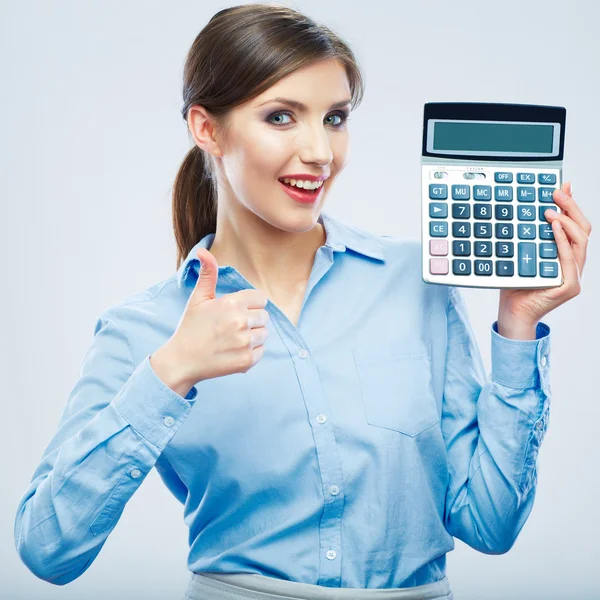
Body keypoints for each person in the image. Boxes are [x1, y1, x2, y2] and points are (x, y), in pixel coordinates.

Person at [14, 4, 592, 600]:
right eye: (282, 116)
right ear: (206, 128)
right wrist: (169, 373)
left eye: (335, 118)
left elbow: (490, 525)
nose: (320, 152)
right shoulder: (145, 331)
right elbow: (48, 549)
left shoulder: (415, 285)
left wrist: (518, 324)